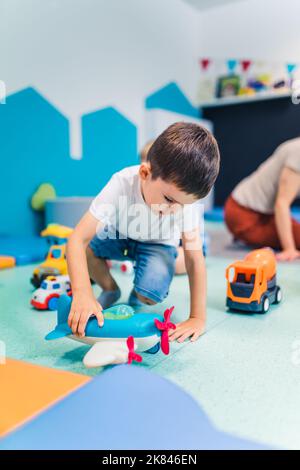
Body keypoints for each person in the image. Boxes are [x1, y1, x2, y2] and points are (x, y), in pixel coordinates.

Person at [66, 122, 220, 343]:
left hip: (158, 244)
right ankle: (110, 289)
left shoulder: (184, 204)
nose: (173, 210)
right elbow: (76, 240)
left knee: (151, 293)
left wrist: (197, 317)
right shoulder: (122, 182)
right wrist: (82, 293)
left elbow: (196, 260)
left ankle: (138, 295)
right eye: (168, 199)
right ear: (145, 173)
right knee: (88, 252)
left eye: (183, 205)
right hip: (119, 234)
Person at [225, 138, 300, 261]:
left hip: (266, 214)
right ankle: (245, 234)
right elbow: (281, 203)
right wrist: (289, 249)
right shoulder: (298, 151)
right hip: (243, 213)